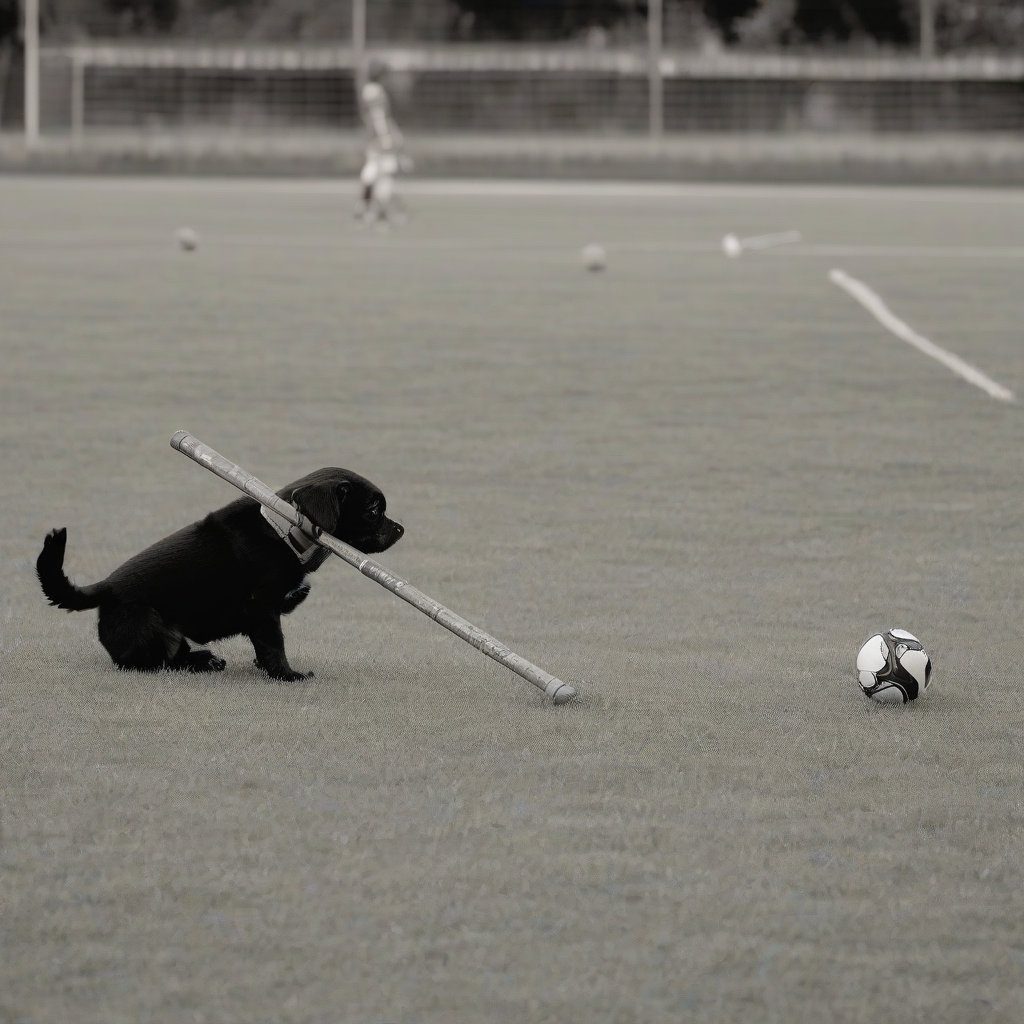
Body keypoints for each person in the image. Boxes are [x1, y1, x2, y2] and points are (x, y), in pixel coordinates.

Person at [355, 58, 412, 223]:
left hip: (374, 138)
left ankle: (364, 207)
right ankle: (378, 210)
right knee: (386, 170)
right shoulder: (375, 92)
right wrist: (387, 137)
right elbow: (379, 118)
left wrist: (393, 132)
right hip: (380, 138)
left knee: (372, 169)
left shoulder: (369, 91)